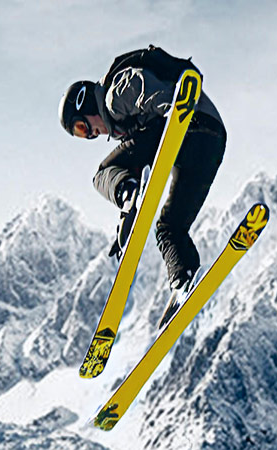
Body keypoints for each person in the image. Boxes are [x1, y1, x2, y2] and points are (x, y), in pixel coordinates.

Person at [58, 48, 226, 321]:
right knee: (170, 227)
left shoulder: (113, 95)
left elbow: (143, 87)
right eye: (82, 136)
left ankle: (127, 193)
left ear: (85, 104)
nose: (90, 135)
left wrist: (174, 111)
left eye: (82, 127)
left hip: (186, 123)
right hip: (211, 141)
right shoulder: (124, 121)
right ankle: (183, 280)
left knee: (103, 172)